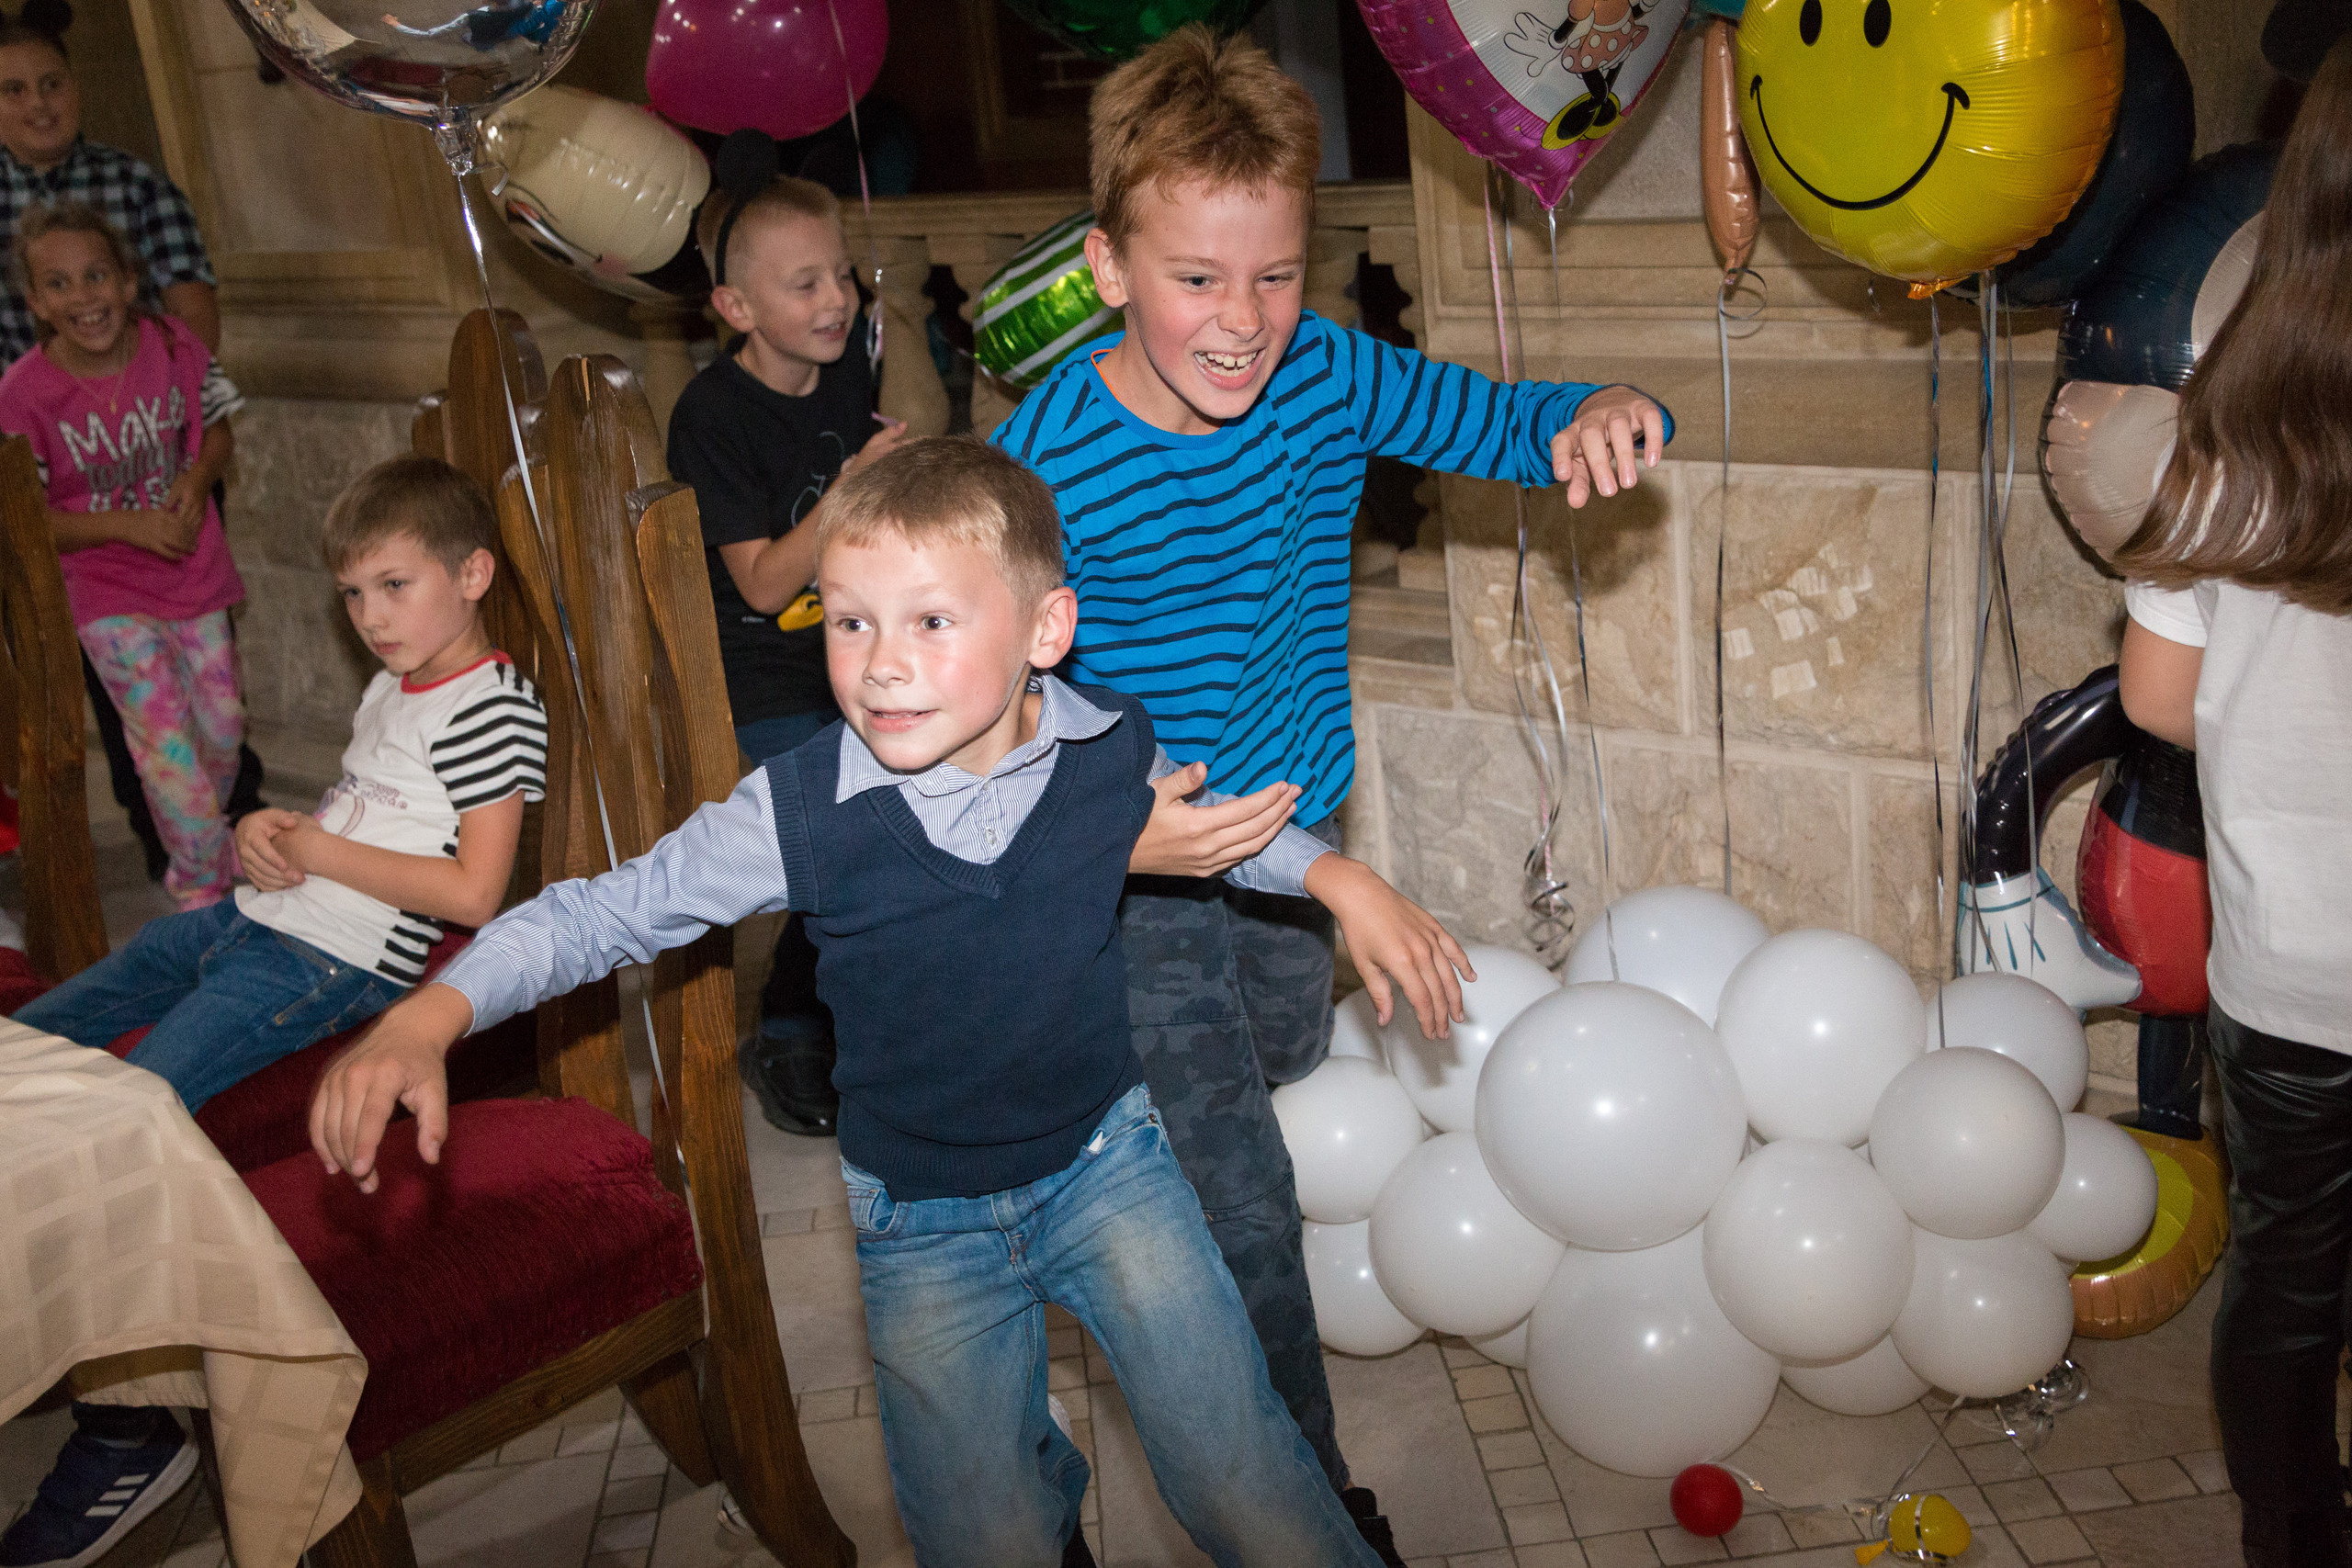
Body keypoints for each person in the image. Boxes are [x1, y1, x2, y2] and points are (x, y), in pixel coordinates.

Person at [306, 438, 1475, 1568]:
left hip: (1112, 1171)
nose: (880, 663)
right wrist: (433, 1013)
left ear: (1044, 632)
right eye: (848, 619)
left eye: (929, 620)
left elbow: (1210, 835)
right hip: (919, 1225)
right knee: (984, 1534)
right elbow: (597, 914)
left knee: (1246, 1477)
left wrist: (1336, 873)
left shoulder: (1109, 745)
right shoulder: (798, 813)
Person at [990, 27, 1671, 1551]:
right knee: (1232, 1206)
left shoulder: (1326, 370)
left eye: (1275, 276)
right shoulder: (1044, 462)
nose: (1242, 323)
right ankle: (1301, 1505)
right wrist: (1160, 830)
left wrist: (1603, 408)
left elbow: (1498, 420)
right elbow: (1013, 706)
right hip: (1136, 870)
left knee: (1276, 1065)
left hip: (1292, 838)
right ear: (1105, 267)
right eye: (1196, 280)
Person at [0, 453, 547, 1568]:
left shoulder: (495, 705)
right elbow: (372, 817)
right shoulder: (396, 688)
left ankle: (133, 1422)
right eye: (353, 595)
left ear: (474, 572)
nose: (372, 616)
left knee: (129, 1104)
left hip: (326, 965)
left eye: (396, 586)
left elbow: (473, 890)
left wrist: (319, 850)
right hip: (264, 915)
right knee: (46, 1033)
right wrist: (271, 831)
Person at [2111, 36, 2352, 1568]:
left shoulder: (2230, 432)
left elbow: (2156, 702)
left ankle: (2295, 1536)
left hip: (2291, 975)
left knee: (2291, 1277)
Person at [666, 147, 906, 1137]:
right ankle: (792, 1027)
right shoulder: (711, 414)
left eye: (841, 274)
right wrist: (854, 484)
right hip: (763, 676)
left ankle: (882, 1018)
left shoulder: (846, 364)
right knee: (846, 818)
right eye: (805, 282)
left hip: (853, 643)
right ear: (735, 309)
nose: (836, 298)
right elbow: (763, 584)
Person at [0, 0, 264, 879]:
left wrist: (181, 446)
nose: (37, 103)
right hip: (57, 494)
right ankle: (193, 872)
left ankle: (228, 834)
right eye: (13, 90)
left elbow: (195, 329)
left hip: (160, 461)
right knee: (146, 721)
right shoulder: (25, 382)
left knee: (217, 717)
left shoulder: (136, 185)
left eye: (50, 83)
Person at [0, 201, 242, 906]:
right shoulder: (22, 397)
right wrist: (125, 526)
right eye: (61, 284)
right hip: (106, 595)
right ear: (37, 302)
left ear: (129, 281)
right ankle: (202, 892)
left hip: (195, 574)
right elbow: (25, 520)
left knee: (222, 731)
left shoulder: (174, 346)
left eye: (97, 276)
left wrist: (197, 479)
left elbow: (218, 430)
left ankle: (211, 850)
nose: (84, 297)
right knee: (165, 745)